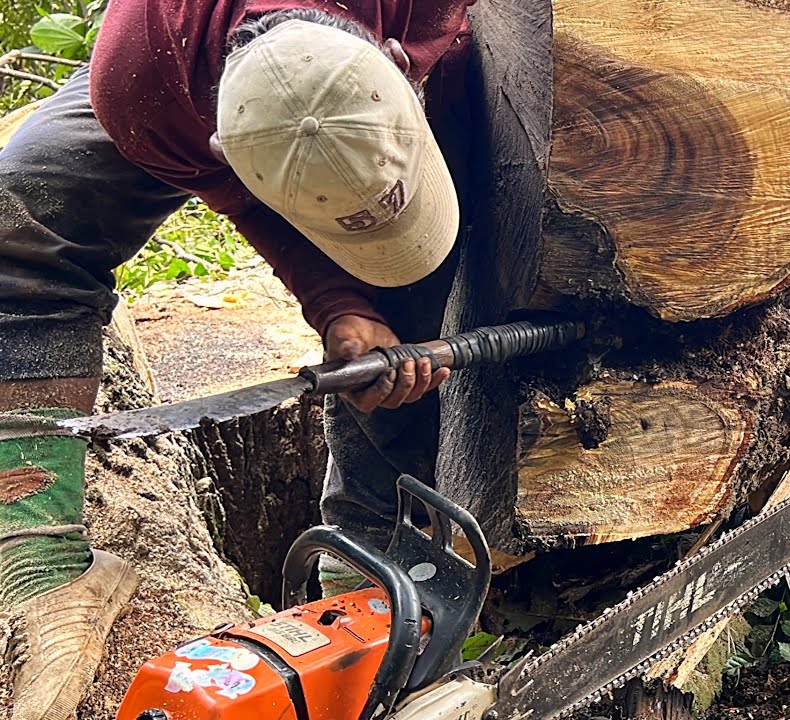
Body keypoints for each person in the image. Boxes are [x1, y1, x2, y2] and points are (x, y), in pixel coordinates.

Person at [0, 0, 477, 718]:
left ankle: (388, 610)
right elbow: (248, 202)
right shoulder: (143, 78)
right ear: (224, 148)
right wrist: (338, 305)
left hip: (422, 77)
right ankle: (40, 569)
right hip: (184, 77)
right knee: (22, 213)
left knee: (404, 323)